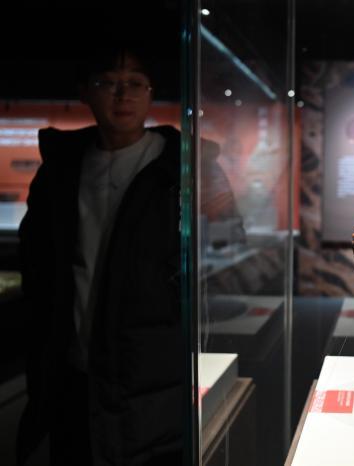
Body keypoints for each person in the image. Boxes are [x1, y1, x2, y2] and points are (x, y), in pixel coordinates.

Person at [17, 45, 240, 466]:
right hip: (73, 367)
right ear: (85, 91)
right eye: (108, 83)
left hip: (151, 368)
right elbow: (38, 262)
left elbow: (228, 247)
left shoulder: (187, 166)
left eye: (135, 83)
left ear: (151, 92)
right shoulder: (60, 171)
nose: (123, 95)